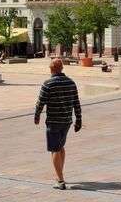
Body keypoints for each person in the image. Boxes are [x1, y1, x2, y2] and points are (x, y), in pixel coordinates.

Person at [34, 59, 82, 190]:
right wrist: (79, 119)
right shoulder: (71, 83)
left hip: (53, 121)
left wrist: (37, 116)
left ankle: (60, 180)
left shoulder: (48, 84)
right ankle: (59, 173)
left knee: (55, 149)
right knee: (60, 146)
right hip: (66, 121)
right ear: (61, 69)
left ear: (52, 70)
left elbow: (40, 102)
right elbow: (76, 103)